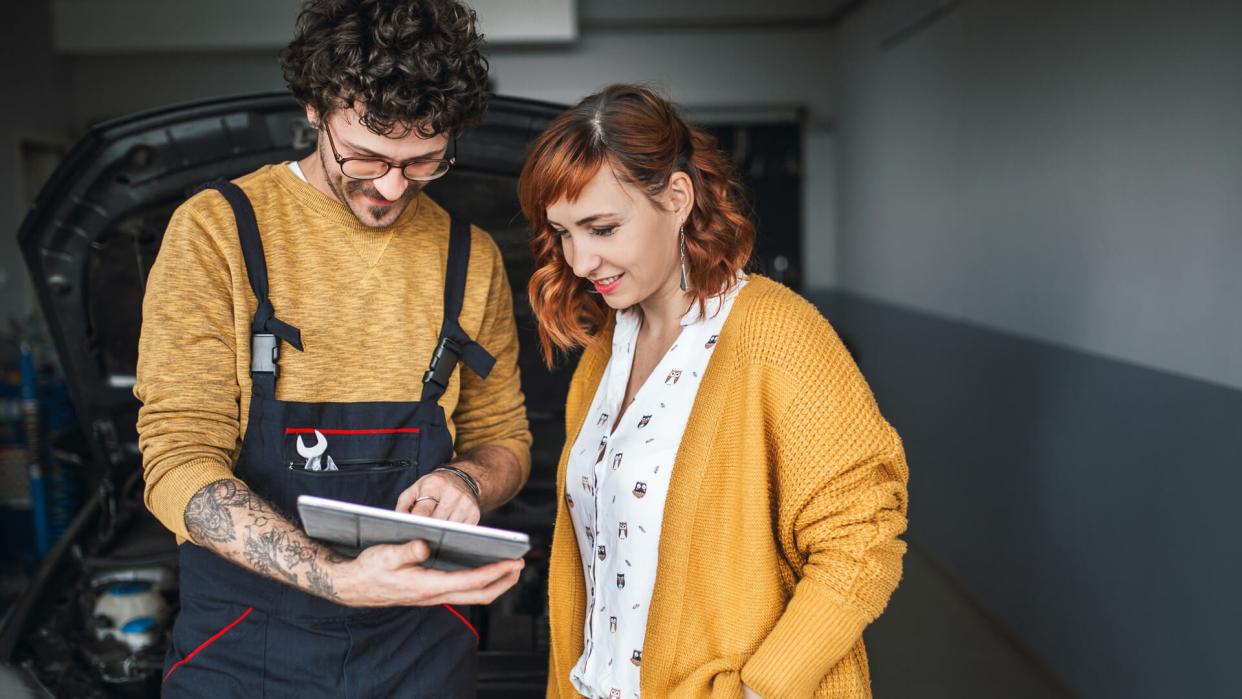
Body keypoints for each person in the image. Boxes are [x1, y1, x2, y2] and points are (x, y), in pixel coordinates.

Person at [134, 1, 531, 695]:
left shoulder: (473, 258)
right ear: (315, 107)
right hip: (245, 648)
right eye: (366, 155)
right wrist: (337, 578)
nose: (390, 188)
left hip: (422, 650)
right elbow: (176, 462)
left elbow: (504, 438)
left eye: (423, 161)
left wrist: (468, 480)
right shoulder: (215, 233)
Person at [518, 84, 910, 698]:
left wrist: (760, 688)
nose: (580, 261)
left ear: (677, 197)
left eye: (601, 228)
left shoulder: (777, 332)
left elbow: (863, 541)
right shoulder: (603, 354)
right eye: (563, 233)